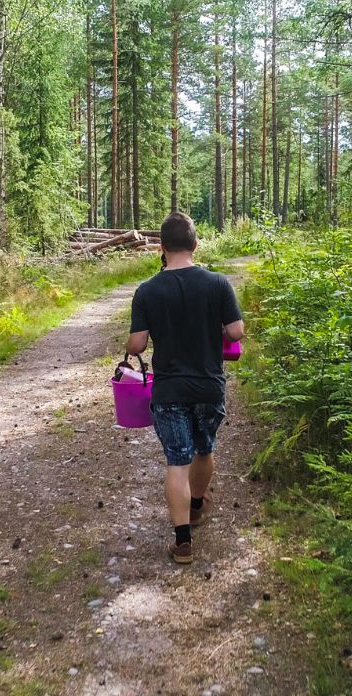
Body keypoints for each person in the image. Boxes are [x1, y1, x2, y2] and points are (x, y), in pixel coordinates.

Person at [125, 212, 245, 564]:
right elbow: (236, 332)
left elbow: (136, 345)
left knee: (177, 462)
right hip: (209, 387)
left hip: (169, 392)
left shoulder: (147, 290)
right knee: (204, 451)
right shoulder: (218, 284)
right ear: (195, 244)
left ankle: (183, 542)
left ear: (161, 248)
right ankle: (195, 506)